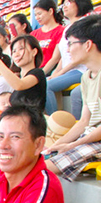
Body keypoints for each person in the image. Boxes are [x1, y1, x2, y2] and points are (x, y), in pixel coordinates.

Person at [45, 14, 101, 180]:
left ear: (88, 45)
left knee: (43, 168)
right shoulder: (86, 78)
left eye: (70, 44)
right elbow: (84, 122)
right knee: (42, 157)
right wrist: (54, 147)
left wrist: (72, 145)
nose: (67, 50)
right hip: (90, 137)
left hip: (96, 140)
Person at [43, 0, 93, 115]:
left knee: (47, 85)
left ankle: (56, 121)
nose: (64, 7)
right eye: (63, 4)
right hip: (68, 70)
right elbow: (63, 56)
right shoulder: (67, 28)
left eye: (68, 3)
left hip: (80, 70)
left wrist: (58, 74)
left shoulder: (84, 24)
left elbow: (78, 58)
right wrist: (54, 73)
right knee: (43, 82)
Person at [31, 0, 65, 68]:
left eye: (39, 14)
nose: (37, 17)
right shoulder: (34, 34)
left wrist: (40, 74)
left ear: (50, 11)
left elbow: (55, 58)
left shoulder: (61, 31)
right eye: (35, 15)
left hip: (51, 70)